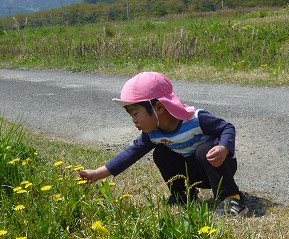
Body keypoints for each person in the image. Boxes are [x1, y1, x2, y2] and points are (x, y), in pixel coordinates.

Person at [79, 72, 248, 216]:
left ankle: (232, 199)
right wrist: (97, 174)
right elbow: (130, 154)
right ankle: (182, 195)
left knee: (204, 150)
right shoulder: (152, 134)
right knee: (161, 153)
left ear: (159, 107)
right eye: (131, 115)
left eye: (136, 113)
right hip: (193, 174)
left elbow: (227, 127)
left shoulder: (195, 119)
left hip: (218, 166)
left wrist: (223, 148)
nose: (134, 120)